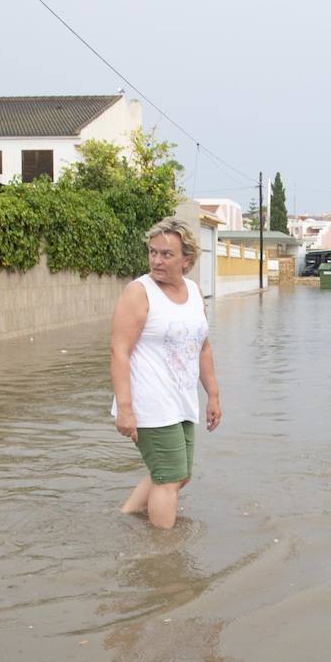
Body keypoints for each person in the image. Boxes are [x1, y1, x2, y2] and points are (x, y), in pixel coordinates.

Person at [110, 218, 222, 529]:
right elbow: (119, 351)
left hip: (181, 401)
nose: (157, 261)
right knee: (168, 479)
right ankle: (165, 557)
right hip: (150, 403)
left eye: (166, 254)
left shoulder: (194, 291)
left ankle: (127, 517)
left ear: (187, 259)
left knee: (179, 475)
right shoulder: (139, 292)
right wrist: (126, 410)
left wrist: (212, 394)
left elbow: (203, 347)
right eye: (153, 252)